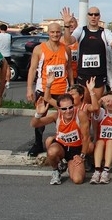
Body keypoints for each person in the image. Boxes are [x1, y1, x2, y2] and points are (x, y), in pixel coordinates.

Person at [26, 23, 74, 157]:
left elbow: (69, 68)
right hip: (43, 88)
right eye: (52, 32)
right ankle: (37, 144)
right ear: (48, 33)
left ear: (61, 33)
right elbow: (32, 69)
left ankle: (65, 141)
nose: (55, 35)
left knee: (66, 116)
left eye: (58, 32)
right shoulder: (39, 49)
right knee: (40, 115)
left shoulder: (66, 49)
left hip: (62, 89)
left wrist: (72, 85)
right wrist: (29, 88)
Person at [61, 7, 112, 101]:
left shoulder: (105, 32)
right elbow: (68, 41)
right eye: (91, 14)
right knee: (85, 105)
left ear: (99, 17)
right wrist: (66, 25)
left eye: (96, 14)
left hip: (99, 75)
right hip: (83, 75)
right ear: (87, 16)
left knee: (96, 106)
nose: (93, 17)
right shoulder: (81, 30)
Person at [31, 95, 91, 185]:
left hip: (76, 149)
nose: (68, 111)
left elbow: (86, 137)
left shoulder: (80, 115)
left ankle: (70, 165)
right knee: (52, 151)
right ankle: (56, 170)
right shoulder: (56, 116)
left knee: (77, 180)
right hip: (61, 147)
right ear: (59, 109)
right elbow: (35, 124)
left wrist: (81, 156)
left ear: (73, 105)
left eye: (70, 107)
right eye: (64, 109)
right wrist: (38, 114)